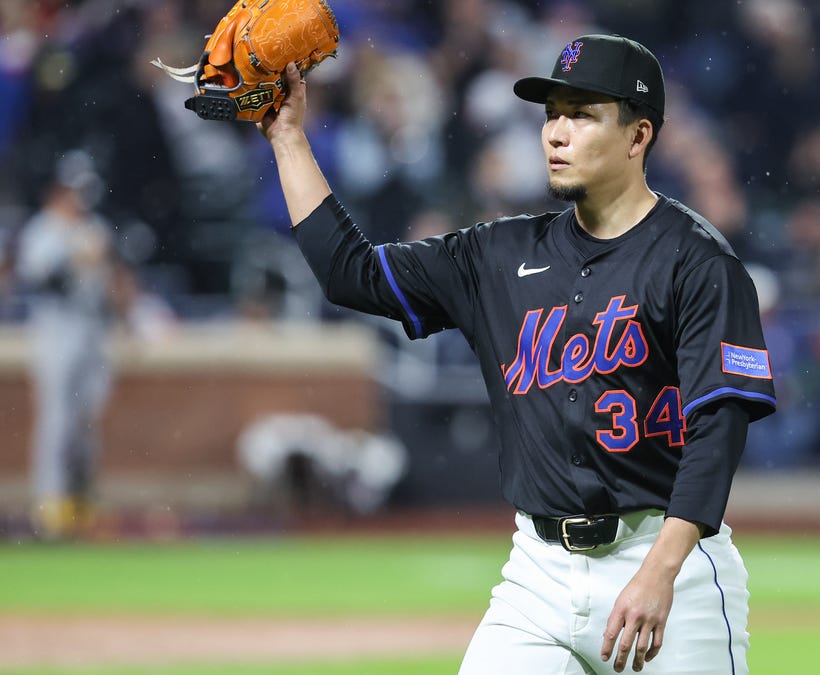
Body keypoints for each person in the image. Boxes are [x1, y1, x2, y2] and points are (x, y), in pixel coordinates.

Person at [260, 34, 777, 674]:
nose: (556, 132)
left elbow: (717, 431)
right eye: (551, 113)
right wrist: (287, 137)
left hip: (668, 562)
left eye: (582, 114)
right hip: (537, 571)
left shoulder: (698, 262)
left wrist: (661, 570)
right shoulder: (497, 256)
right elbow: (351, 274)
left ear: (638, 136)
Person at [15, 153, 116, 539]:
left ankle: (81, 502)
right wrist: (73, 256)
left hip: (92, 329)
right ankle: (50, 505)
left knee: (86, 420)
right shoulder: (42, 230)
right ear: (59, 190)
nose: (81, 199)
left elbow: (108, 284)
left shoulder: (95, 227)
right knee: (55, 419)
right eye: (74, 191)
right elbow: (38, 281)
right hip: (56, 329)